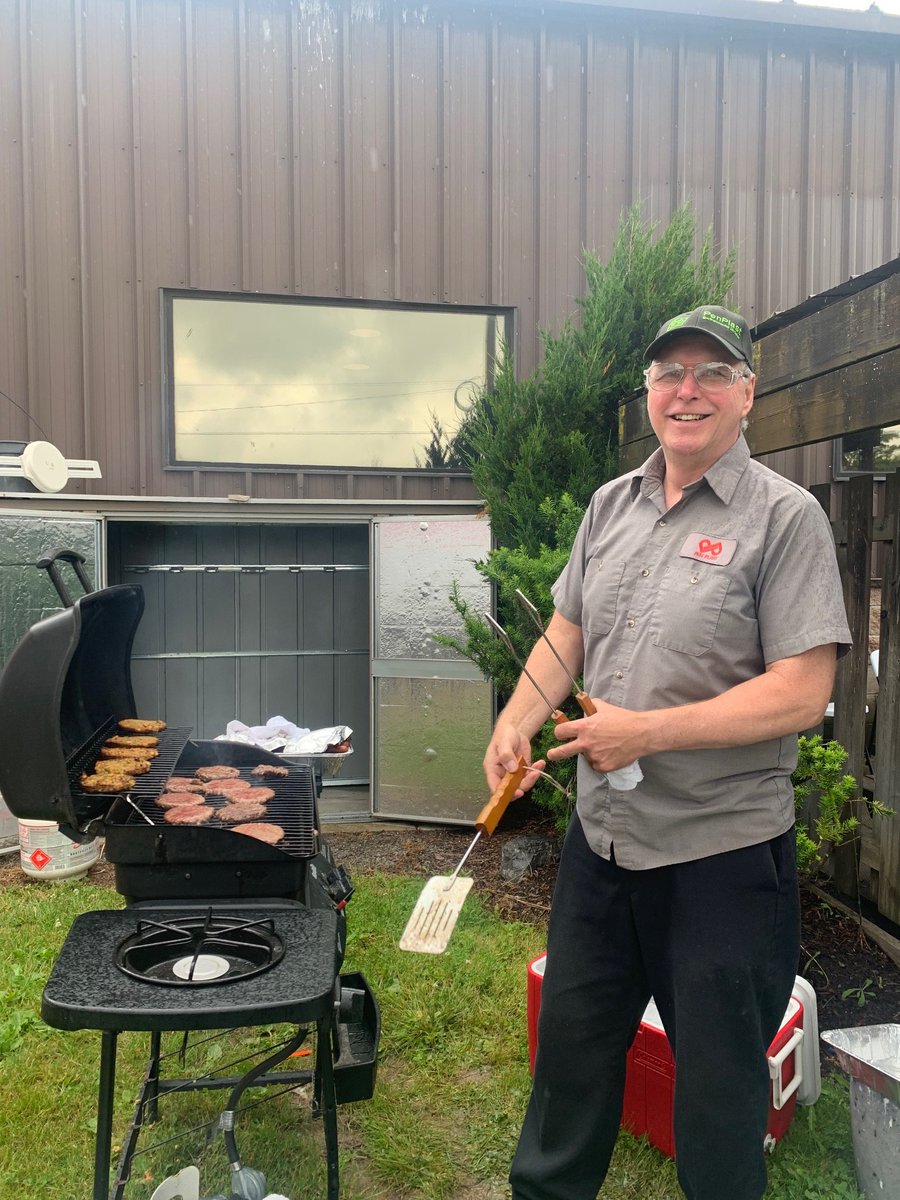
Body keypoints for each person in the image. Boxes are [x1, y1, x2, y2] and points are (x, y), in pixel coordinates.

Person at [483, 305, 852, 1200]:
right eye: (669, 374)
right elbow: (567, 632)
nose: (688, 390)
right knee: (570, 1054)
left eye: (711, 372)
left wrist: (646, 731)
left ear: (746, 394)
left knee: (720, 1090)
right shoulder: (613, 505)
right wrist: (517, 718)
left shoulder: (785, 518)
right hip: (603, 846)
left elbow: (803, 692)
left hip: (720, 858)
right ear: (648, 393)